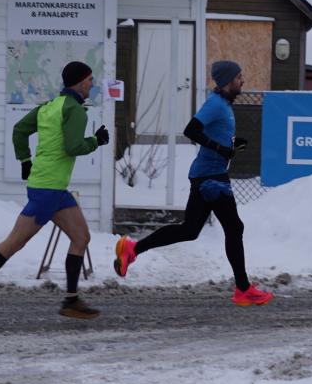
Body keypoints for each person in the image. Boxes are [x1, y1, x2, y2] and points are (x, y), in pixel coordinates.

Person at [0, 61, 110, 324]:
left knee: (81, 237)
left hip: (54, 188)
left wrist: (25, 161)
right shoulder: (75, 111)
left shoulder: (49, 107)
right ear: (80, 81)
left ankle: (71, 301)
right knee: (14, 242)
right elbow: (74, 146)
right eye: (89, 80)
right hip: (48, 190)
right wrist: (96, 141)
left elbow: (19, 131)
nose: (92, 84)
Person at [112, 60, 273, 306]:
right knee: (234, 228)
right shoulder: (215, 105)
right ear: (228, 81)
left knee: (190, 229)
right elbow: (191, 130)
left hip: (208, 175)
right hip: (211, 178)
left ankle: (132, 250)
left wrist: (230, 145)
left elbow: (211, 134)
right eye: (239, 77)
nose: (243, 81)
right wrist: (219, 148)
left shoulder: (225, 106)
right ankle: (243, 289)